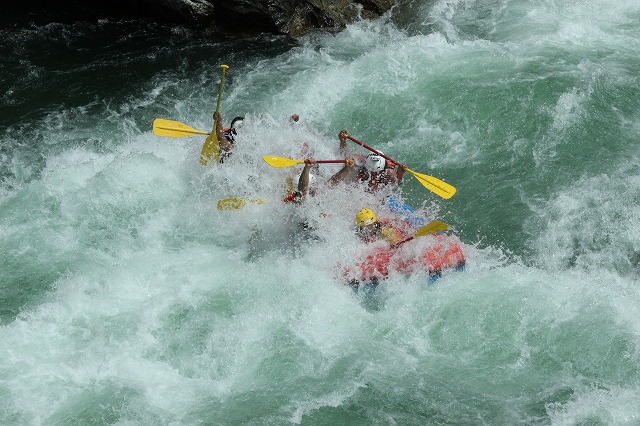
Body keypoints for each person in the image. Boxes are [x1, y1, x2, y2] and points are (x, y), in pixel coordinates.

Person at [338, 130, 407, 192]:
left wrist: (400, 174)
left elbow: (399, 184)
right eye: (370, 172)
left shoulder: (388, 172)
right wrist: (343, 142)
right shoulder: (361, 161)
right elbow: (344, 155)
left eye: (375, 173)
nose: (372, 175)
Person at [283, 157, 355, 204]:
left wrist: (347, 168)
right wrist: (307, 168)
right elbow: (303, 186)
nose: (315, 187)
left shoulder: (316, 194)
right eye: (313, 185)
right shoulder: (300, 200)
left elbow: (333, 181)